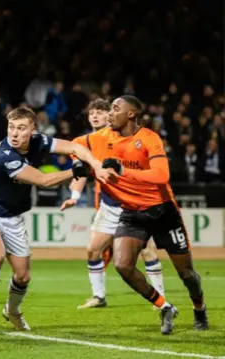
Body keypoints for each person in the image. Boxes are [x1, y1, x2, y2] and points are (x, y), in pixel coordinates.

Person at [0, 107, 110, 336]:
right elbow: (43, 180)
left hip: (12, 217)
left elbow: (74, 147)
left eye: (21, 128)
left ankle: (12, 311)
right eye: (11, 127)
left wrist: (96, 164)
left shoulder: (39, 141)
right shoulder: (5, 154)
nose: (14, 133)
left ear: (32, 129)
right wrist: (75, 171)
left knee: (23, 276)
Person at [97, 95, 208, 335]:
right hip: (132, 212)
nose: (109, 113)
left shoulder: (148, 138)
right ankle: (164, 306)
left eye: (115, 108)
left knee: (186, 273)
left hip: (162, 211)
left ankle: (199, 307)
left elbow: (161, 176)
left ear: (131, 114)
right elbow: (77, 147)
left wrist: (123, 170)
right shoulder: (106, 137)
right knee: (123, 265)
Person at [60, 99, 165, 309]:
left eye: (101, 112)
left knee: (146, 252)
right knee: (93, 249)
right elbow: (79, 163)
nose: (96, 116)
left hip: (135, 206)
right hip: (110, 207)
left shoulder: (127, 137)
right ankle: (99, 297)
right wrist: (75, 195)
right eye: (92, 113)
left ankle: (160, 298)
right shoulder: (91, 141)